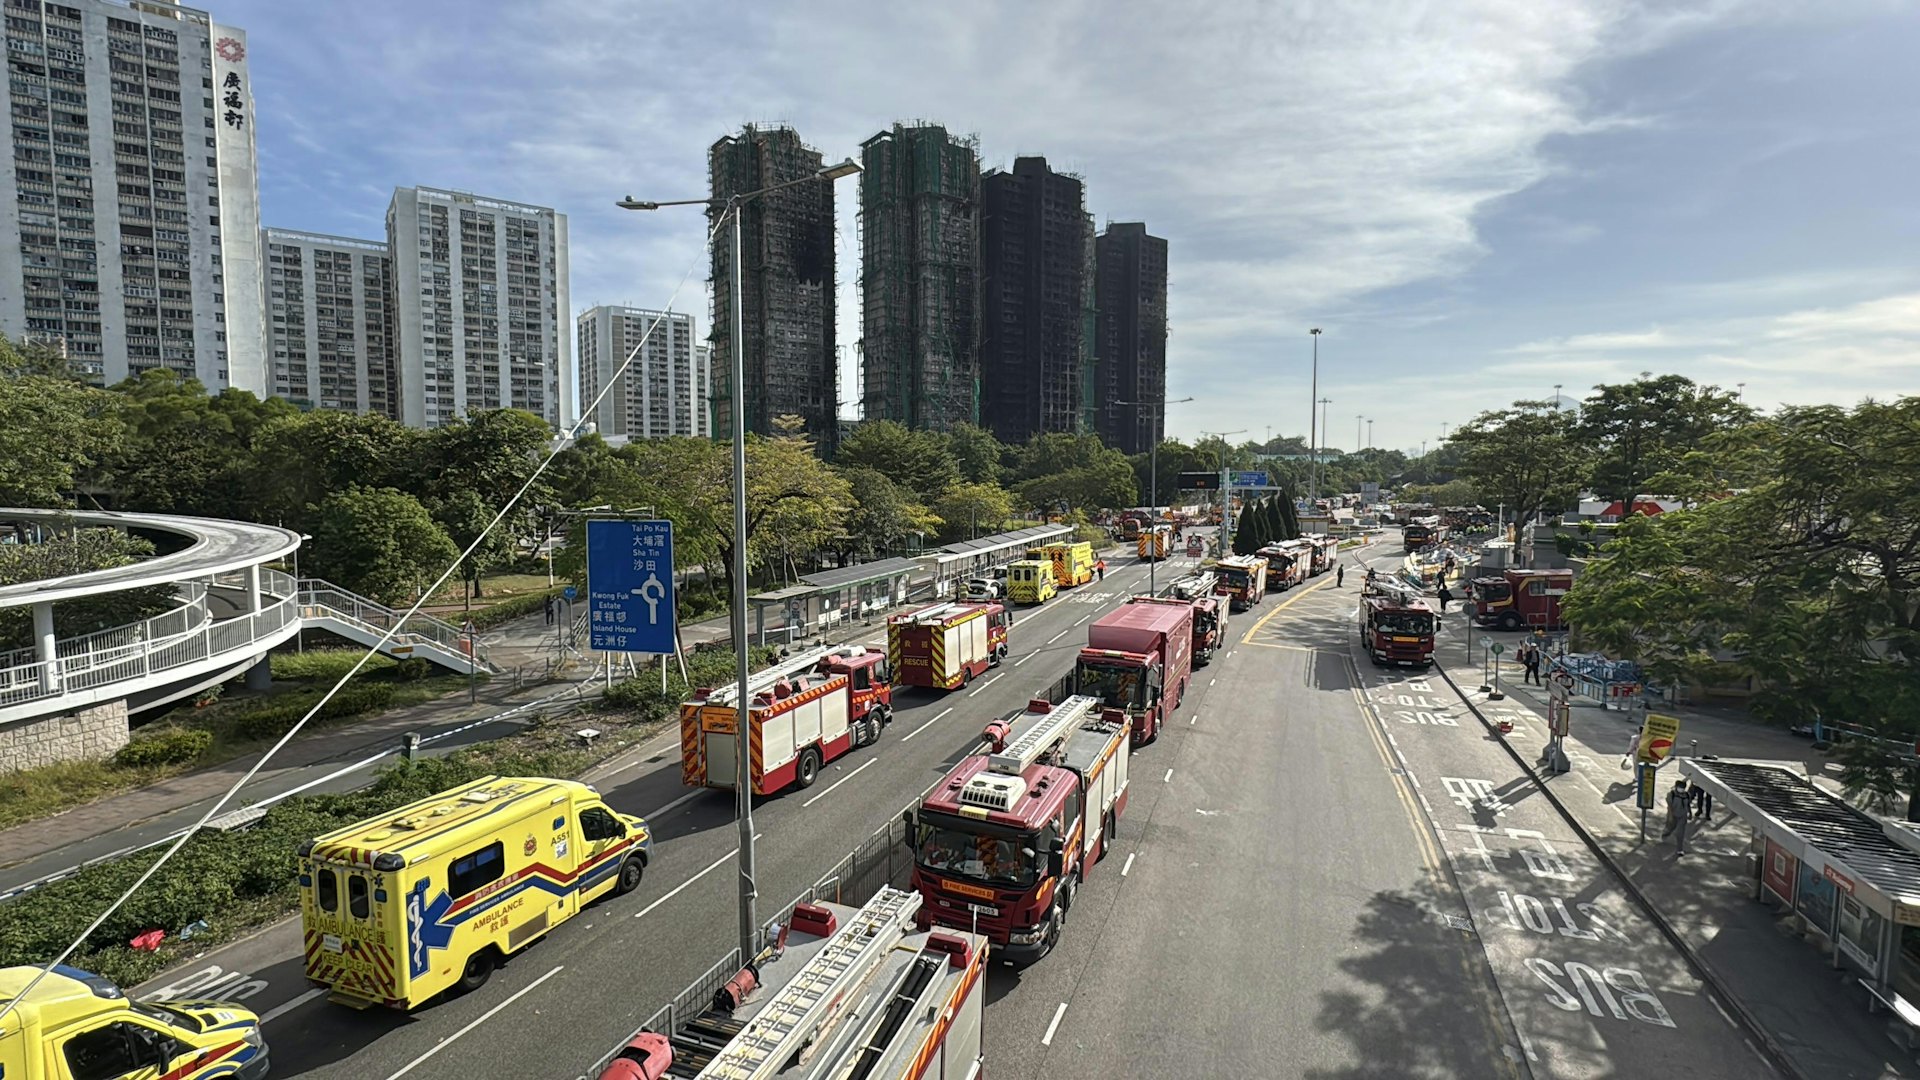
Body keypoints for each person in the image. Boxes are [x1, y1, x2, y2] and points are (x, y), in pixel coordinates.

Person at [1663, 780, 1691, 854]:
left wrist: (1690, 813)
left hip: (1682, 816)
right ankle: (1666, 833)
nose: (1682, 789)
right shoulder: (1671, 794)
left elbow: (1688, 805)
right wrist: (1671, 816)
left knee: (1680, 832)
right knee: (1670, 827)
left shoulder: (1687, 795)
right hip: (1673, 814)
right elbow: (1669, 806)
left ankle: (1679, 849)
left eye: (1683, 787)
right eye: (1680, 787)